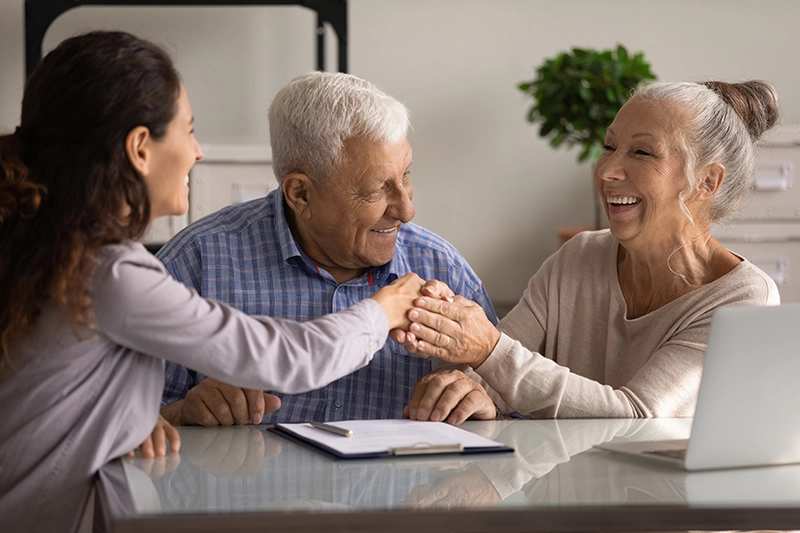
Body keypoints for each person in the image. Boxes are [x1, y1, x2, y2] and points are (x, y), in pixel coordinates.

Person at [0, 31, 427, 533]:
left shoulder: (47, 247)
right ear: (140, 148)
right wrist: (385, 309)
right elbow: (284, 357)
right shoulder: (109, 272)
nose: (198, 152)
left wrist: (128, 417)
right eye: (188, 130)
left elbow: (57, 391)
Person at [396, 80, 781, 422]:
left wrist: (488, 351)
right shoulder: (578, 256)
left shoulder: (744, 298)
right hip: (557, 498)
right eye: (609, 147)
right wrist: (471, 391)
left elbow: (637, 417)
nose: (608, 170)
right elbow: (494, 374)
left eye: (642, 153)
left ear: (706, 181)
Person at [156, 71, 497, 427]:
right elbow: (118, 426)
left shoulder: (442, 269)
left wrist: (487, 407)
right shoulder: (195, 265)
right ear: (300, 193)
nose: (406, 210)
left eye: (406, 176)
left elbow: (518, 419)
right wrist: (182, 414)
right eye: (376, 189)